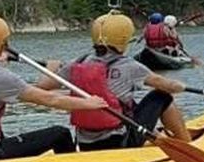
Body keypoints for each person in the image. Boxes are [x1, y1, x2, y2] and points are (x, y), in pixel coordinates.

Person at [0, 14, 106, 161]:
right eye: (4, 42)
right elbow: (50, 99)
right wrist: (90, 103)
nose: (6, 44)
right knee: (60, 134)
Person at [66, 11, 193, 152]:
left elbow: (44, 86)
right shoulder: (129, 66)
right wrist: (180, 86)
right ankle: (187, 143)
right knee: (161, 96)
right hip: (120, 142)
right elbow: (169, 86)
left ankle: (159, 136)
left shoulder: (79, 62)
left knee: (128, 103)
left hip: (85, 145)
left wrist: (54, 66)